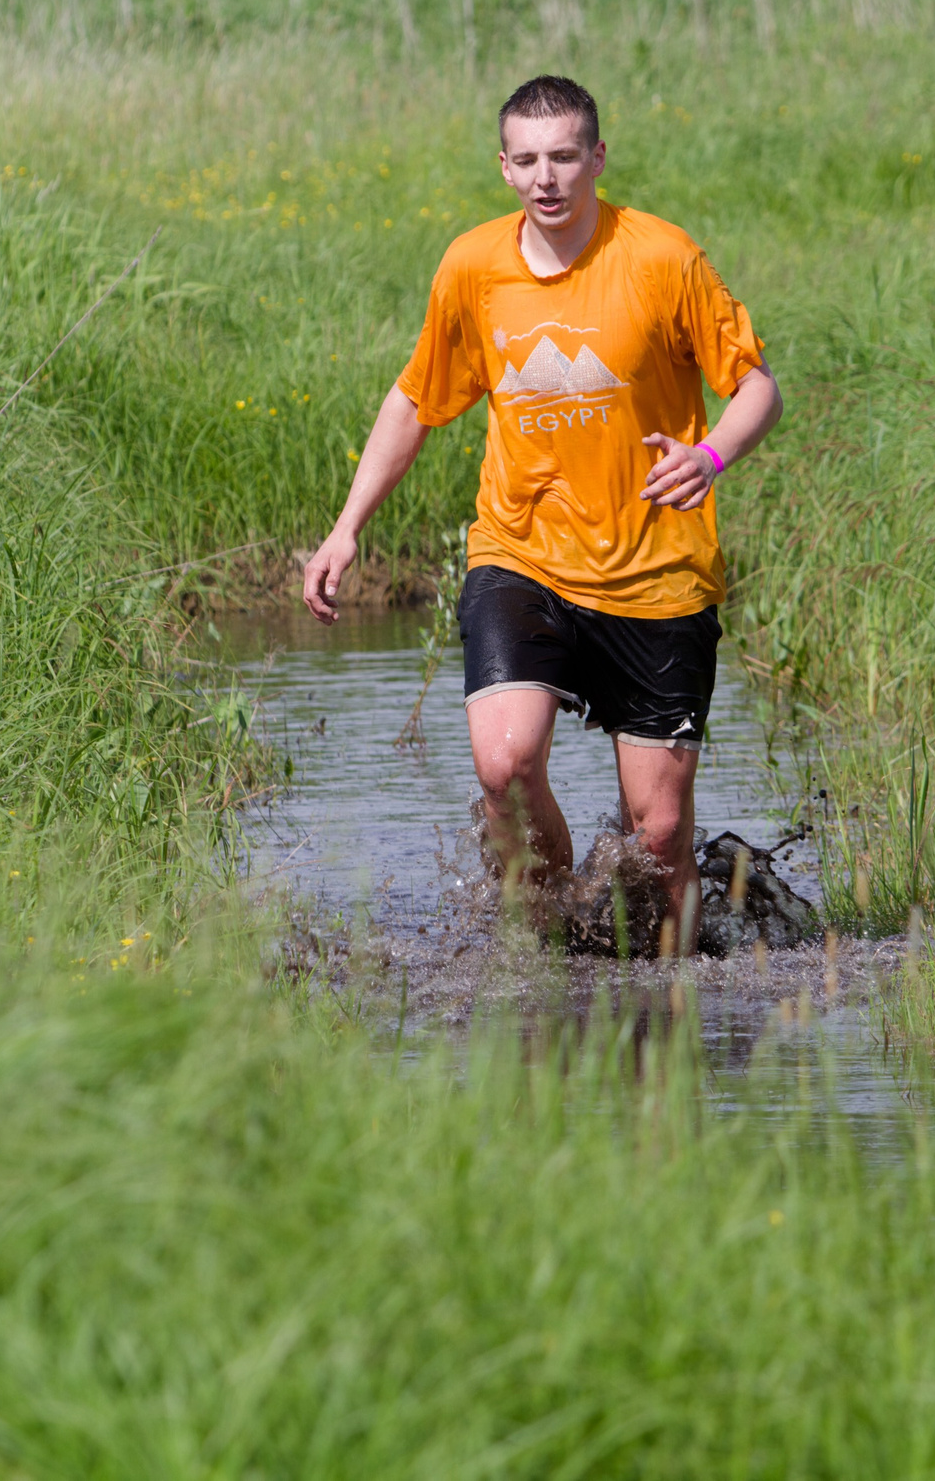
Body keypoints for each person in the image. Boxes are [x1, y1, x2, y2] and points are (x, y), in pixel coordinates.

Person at [301, 75, 784, 949]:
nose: (547, 177)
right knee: (505, 764)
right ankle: (551, 953)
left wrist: (710, 456)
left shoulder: (662, 256)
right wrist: (347, 524)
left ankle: (673, 1006)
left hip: (658, 572)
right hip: (521, 555)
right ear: (504, 167)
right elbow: (415, 400)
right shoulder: (474, 266)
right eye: (526, 159)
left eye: (564, 155)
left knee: (661, 832)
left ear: (598, 157)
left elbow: (756, 385)